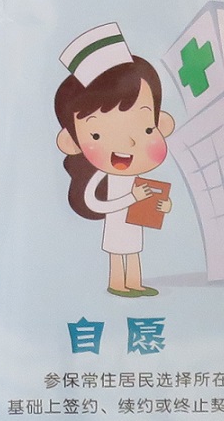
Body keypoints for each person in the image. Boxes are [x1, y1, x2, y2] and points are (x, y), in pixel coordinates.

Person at [54, 22, 176, 298]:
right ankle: (118, 284)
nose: (128, 143)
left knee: (134, 252)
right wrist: (131, 199)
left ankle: (135, 283)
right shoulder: (99, 177)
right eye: (97, 134)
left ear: (162, 124)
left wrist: (162, 205)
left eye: (146, 129)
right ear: (72, 142)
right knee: (118, 253)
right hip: (117, 226)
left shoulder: (136, 179)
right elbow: (95, 203)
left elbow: (149, 203)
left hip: (134, 225)